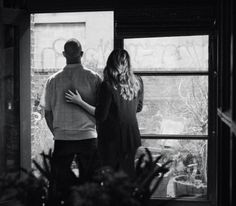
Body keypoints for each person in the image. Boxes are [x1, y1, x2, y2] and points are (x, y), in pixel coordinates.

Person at [65, 49, 144, 177]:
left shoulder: (107, 85)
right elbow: (138, 108)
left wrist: (79, 102)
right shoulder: (138, 82)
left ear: (110, 63)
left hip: (111, 140)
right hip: (132, 138)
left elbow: (101, 116)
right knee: (128, 175)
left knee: (111, 177)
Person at [42, 38, 102, 196]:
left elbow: (47, 112)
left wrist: (57, 132)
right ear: (81, 54)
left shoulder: (52, 81)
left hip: (62, 138)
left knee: (59, 186)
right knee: (91, 186)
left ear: (63, 54)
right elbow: (101, 111)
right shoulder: (94, 78)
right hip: (88, 137)